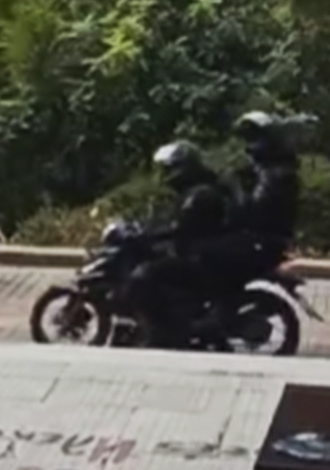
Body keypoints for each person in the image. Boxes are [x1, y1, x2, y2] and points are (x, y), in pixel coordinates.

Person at [122, 141, 239, 347]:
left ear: (185, 167)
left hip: (199, 259)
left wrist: (149, 236)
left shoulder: (200, 194)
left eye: (170, 169)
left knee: (143, 276)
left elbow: (181, 227)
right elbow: (175, 224)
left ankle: (161, 331)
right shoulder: (196, 191)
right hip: (198, 254)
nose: (167, 174)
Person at [231, 110, 301, 266]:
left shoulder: (277, 173)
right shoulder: (260, 171)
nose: (250, 145)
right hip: (256, 238)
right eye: (248, 139)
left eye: (255, 138)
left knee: (201, 252)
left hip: (262, 240)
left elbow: (255, 210)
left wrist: (236, 188)